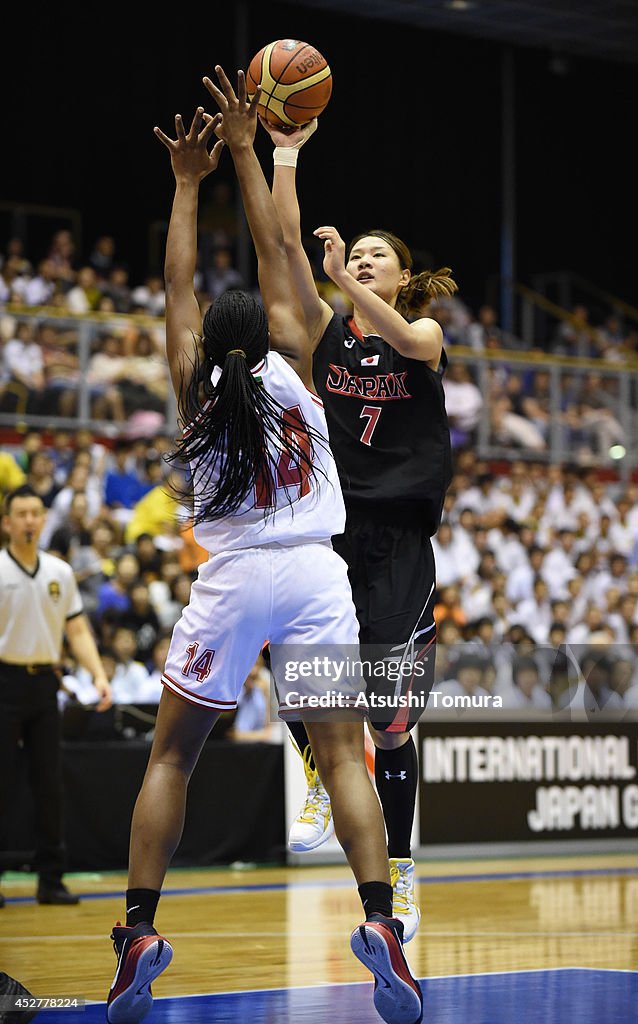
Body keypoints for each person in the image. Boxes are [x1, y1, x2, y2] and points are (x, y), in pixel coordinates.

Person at [105, 71, 422, 1024]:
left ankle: (140, 931)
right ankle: (382, 926)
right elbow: (279, 249)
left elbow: (174, 283)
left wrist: (184, 181)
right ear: (271, 336)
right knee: (342, 762)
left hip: (233, 578)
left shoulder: (196, 391)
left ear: (211, 345)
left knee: (171, 761)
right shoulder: (304, 373)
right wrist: (250, 150)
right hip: (318, 578)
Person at [265, 110, 458, 942]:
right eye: (360, 252)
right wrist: (284, 157)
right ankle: (314, 771)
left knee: (393, 722)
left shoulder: (422, 332)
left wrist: (350, 277)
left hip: (403, 547)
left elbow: (411, 338)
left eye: (381, 254)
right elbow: (279, 246)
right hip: (335, 533)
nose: (365, 258)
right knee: (290, 654)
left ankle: (404, 877)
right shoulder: (327, 333)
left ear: (401, 273)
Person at [0, 485, 112, 907]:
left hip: (45, 685)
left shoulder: (59, 572)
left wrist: (98, 673)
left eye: (35, 513)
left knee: (50, 783)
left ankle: (51, 879)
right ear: (7, 522)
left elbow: (77, 630)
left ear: (44, 520)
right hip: (4, 683)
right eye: (21, 513)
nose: (29, 520)